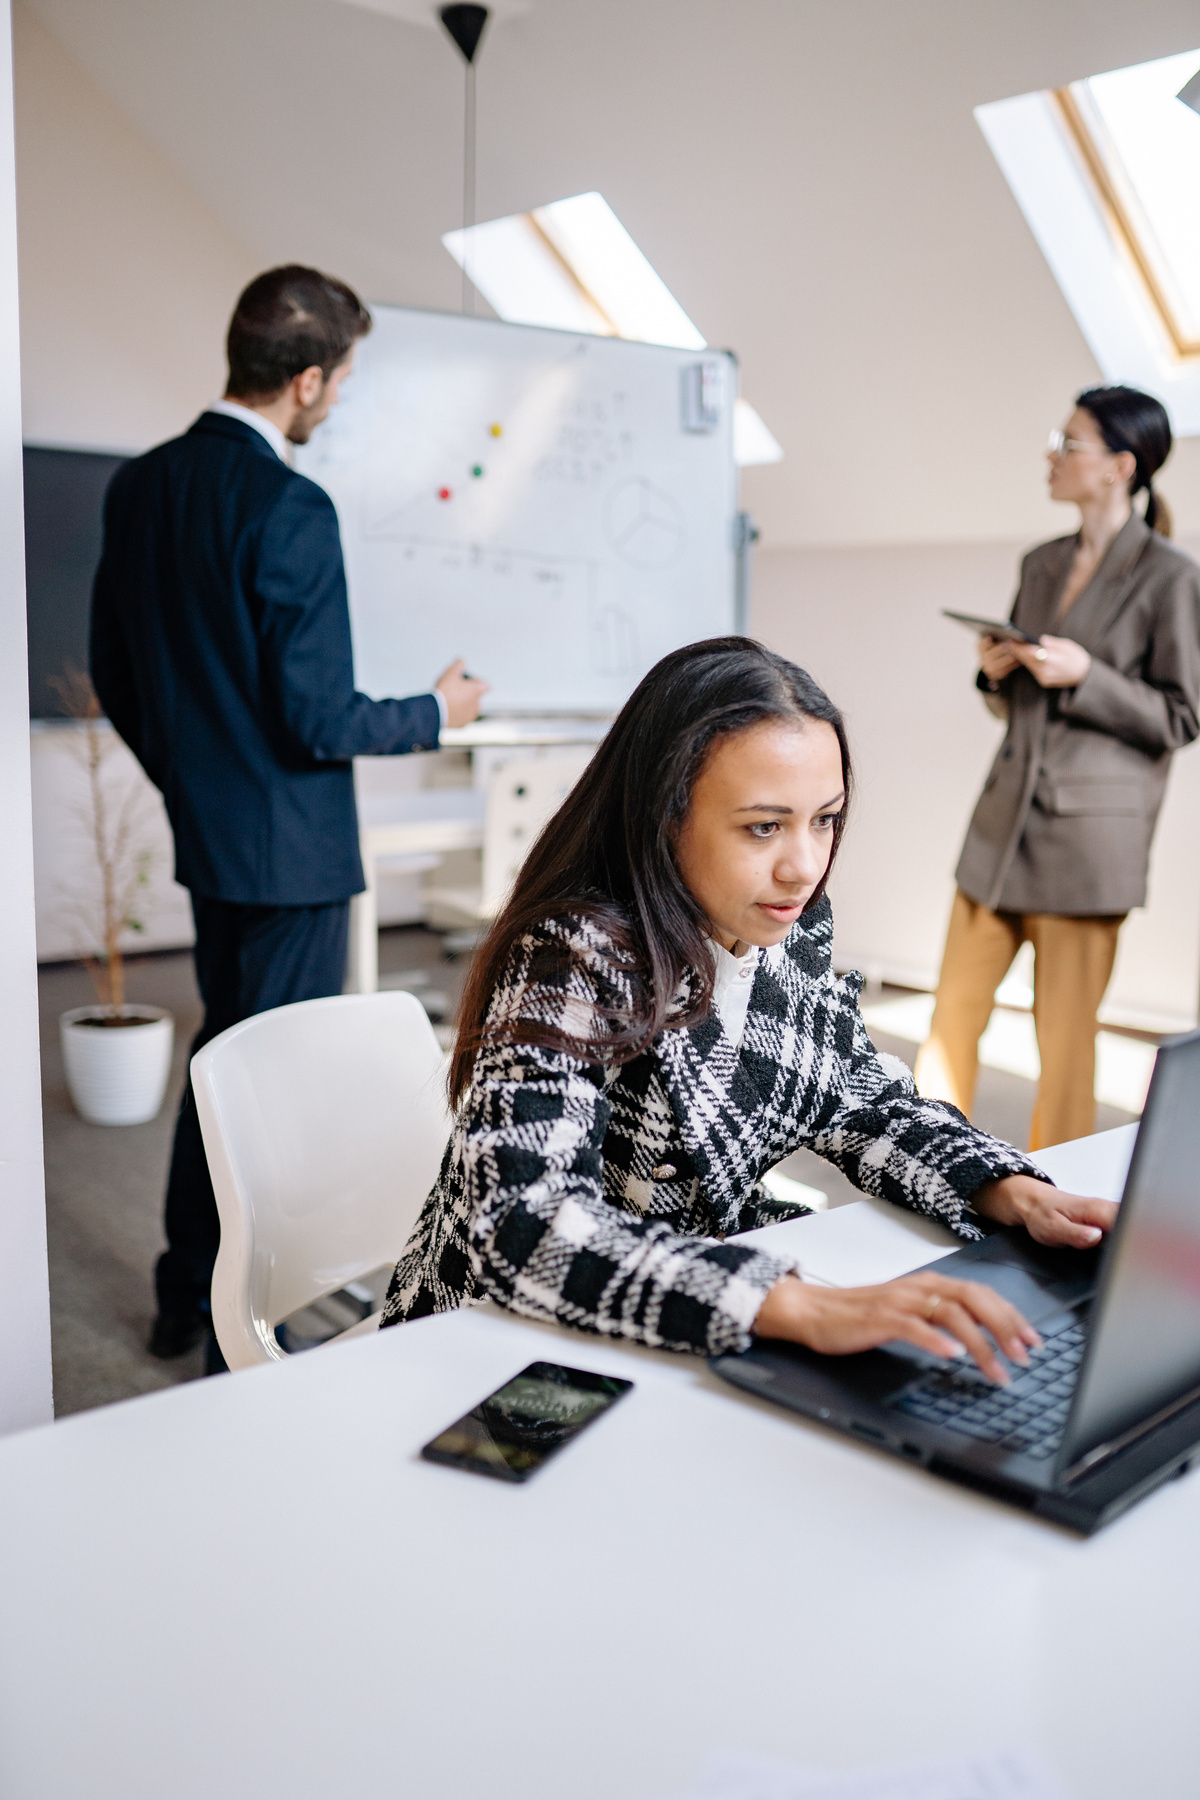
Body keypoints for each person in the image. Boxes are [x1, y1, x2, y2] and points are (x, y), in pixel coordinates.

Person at [381, 639, 1113, 1375]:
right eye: (764, 826)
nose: (804, 864)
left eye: (824, 820)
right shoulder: (570, 953)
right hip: (494, 1351)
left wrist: (1011, 1191)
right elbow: (523, 1228)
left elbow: (857, 1098)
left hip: (681, 1326)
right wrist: (798, 1305)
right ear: (665, 815)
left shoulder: (789, 924)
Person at [91, 265, 489, 1371]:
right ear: (306, 379)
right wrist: (437, 711)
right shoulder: (288, 506)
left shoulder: (141, 486)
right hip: (294, 858)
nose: (340, 402)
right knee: (272, 1094)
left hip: (214, 841)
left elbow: (118, 674)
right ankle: (237, 1340)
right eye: (342, 382)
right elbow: (318, 716)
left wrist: (189, 777)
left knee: (224, 1061)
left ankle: (186, 1296)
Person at [915, 386, 1200, 1151]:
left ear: (1118, 466)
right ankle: (929, 1164)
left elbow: (1182, 715)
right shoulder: (1039, 563)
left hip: (1086, 849)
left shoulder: (1172, 576)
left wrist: (1087, 675)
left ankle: (1057, 1206)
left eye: (1068, 442)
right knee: (949, 1022)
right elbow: (1018, 705)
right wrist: (996, 670)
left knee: (1065, 1048)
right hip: (1000, 826)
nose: (1052, 454)